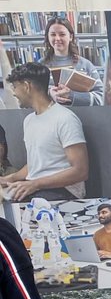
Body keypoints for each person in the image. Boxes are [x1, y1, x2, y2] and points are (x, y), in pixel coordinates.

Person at [1, 62, 88, 202]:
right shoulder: (29, 120)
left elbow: (80, 171)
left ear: (26, 86)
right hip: (38, 187)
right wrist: (8, 179)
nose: (14, 93)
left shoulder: (65, 119)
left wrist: (34, 184)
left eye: (15, 87)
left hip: (63, 191)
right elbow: (37, 164)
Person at [41, 16, 104, 108]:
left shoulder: (86, 65)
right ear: (48, 37)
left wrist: (72, 96)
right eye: (53, 34)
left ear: (70, 37)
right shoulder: (39, 67)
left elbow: (101, 98)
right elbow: (31, 98)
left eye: (62, 34)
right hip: (50, 119)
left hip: (82, 118)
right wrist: (50, 95)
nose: (57, 38)